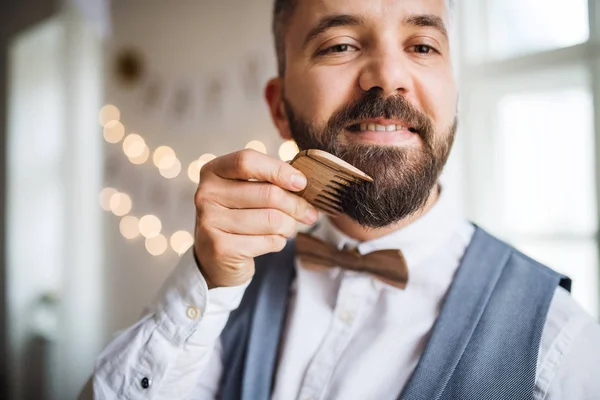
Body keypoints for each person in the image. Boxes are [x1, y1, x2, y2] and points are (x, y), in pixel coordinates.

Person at [79, 0, 600, 399]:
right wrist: (206, 281)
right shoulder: (222, 302)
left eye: (422, 46)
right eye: (341, 45)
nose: (389, 76)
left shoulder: (562, 347)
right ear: (280, 109)